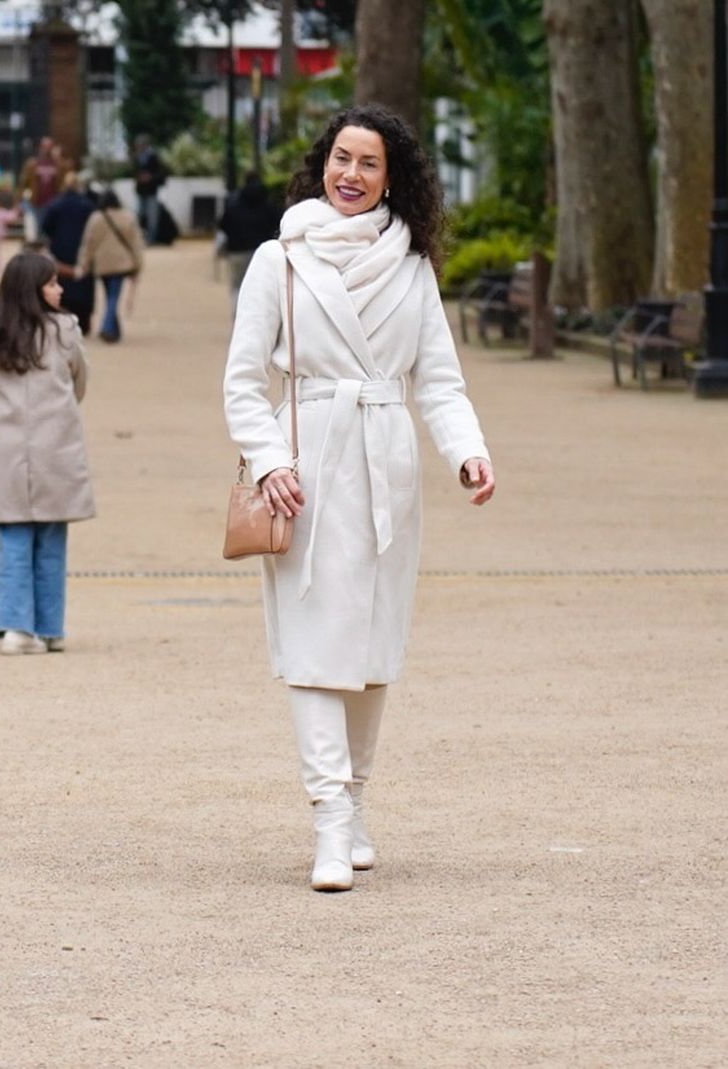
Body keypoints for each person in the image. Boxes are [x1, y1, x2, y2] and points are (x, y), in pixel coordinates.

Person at [221, 104, 496, 893]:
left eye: (368, 163)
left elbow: (438, 380)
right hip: (306, 466)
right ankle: (328, 820)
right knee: (315, 642)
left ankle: (358, 801)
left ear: (392, 177)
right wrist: (271, 459)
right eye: (341, 157)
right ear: (322, 164)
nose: (350, 174)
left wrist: (468, 451)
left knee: (374, 646)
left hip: (387, 463)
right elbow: (244, 383)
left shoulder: (413, 268)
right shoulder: (278, 258)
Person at [0, 252, 95, 655]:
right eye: (52, 283)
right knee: (52, 538)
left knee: (15, 538)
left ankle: (17, 626)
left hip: (9, 450)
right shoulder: (65, 329)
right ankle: (49, 626)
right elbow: (80, 381)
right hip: (57, 448)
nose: (60, 289)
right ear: (34, 290)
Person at [75, 189, 145, 344]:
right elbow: (136, 244)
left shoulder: (96, 218)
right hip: (121, 264)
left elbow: (88, 243)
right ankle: (109, 328)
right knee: (113, 297)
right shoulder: (128, 217)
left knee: (110, 296)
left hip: (102, 264)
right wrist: (138, 266)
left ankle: (114, 331)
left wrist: (84, 263)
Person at [39, 172, 98, 335]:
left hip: (61, 250)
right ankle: (84, 323)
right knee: (84, 287)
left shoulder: (55, 205)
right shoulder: (88, 205)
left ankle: (62, 320)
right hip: (82, 250)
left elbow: (45, 227)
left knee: (62, 286)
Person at [219, 171, 281, 313]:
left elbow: (223, 224)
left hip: (237, 252)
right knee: (261, 288)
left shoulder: (234, 203)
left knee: (237, 286)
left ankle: (238, 319)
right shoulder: (268, 204)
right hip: (262, 252)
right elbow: (278, 224)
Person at [18, 136, 65, 243]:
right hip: (37, 203)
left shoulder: (58, 164)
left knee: (51, 232)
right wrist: (20, 201)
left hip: (53, 204)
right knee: (38, 232)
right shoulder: (32, 164)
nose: (47, 149)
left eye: (50, 147)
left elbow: (63, 182)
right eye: (45, 146)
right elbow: (23, 183)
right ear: (40, 147)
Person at [132, 135, 169, 245]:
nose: (138, 147)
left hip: (151, 192)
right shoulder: (137, 157)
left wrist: (150, 177)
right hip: (140, 191)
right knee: (139, 215)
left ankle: (151, 239)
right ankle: (139, 238)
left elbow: (162, 174)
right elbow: (134, 172)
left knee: (152, 217)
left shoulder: (154, 156)